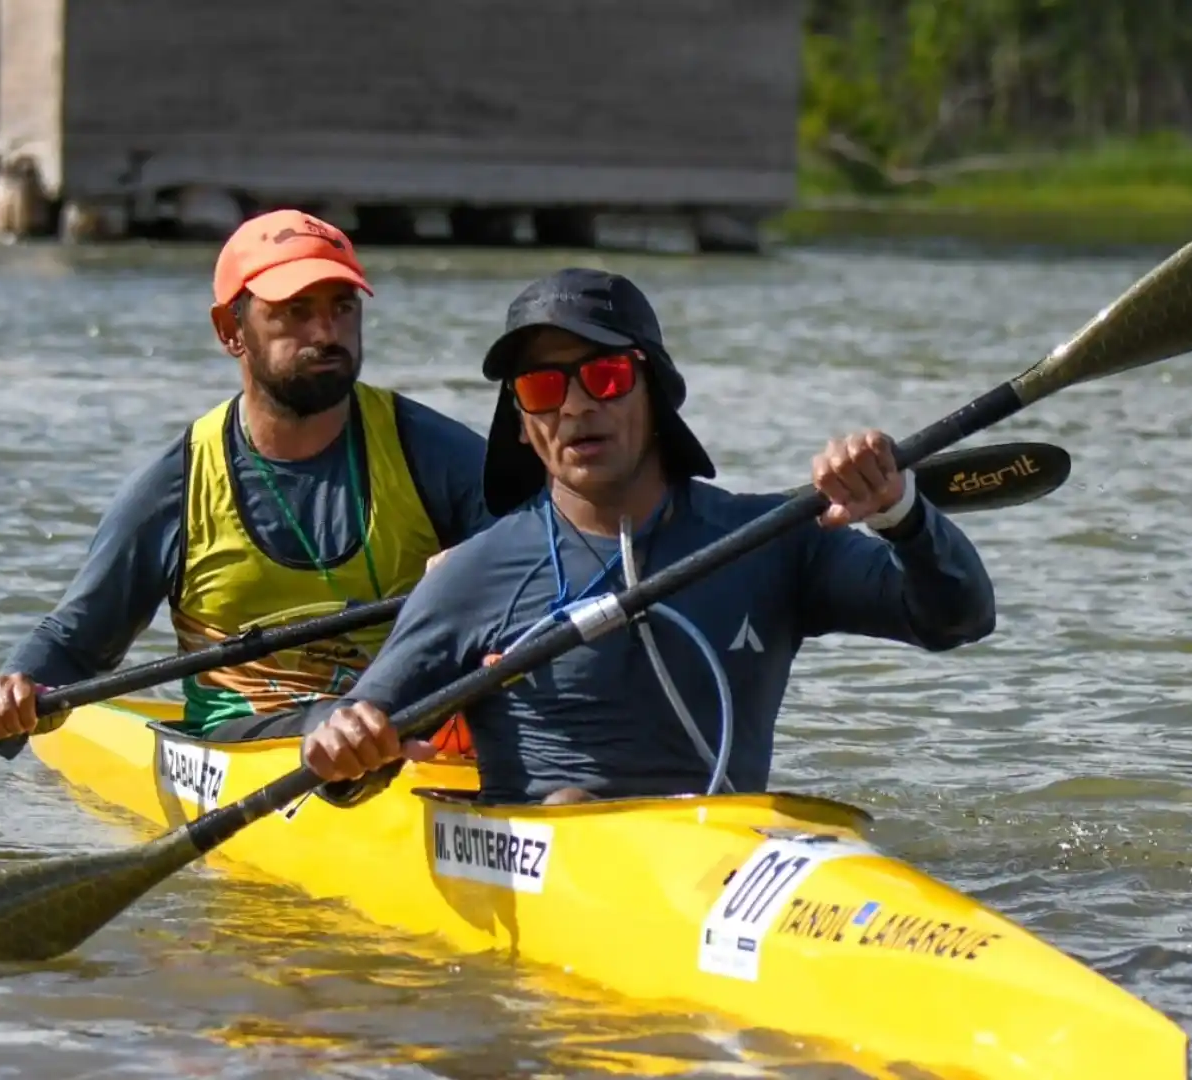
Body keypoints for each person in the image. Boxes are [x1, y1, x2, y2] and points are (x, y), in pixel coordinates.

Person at [299, 268, 997, 805]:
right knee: (571, 803)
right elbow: (352, 733)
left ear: (654, 392)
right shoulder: (472, 574)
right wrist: (339, 743)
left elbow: (960, 619)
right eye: (542, 389)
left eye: (605, 377)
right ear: (519, 422)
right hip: (555, 866)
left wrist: (901, 512)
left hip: (726, 858)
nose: (575, 406)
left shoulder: (768, 540)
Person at [0, 209, 493, 752]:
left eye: (342, 307)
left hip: (412, 723)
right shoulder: (175, 487)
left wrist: (483, 574)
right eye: (294, 311)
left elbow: (549, 577)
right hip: (247, 739)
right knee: (345, 720)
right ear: (229, 330)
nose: (326, 332)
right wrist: (14, 690)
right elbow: (76, 645)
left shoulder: (437, 454)